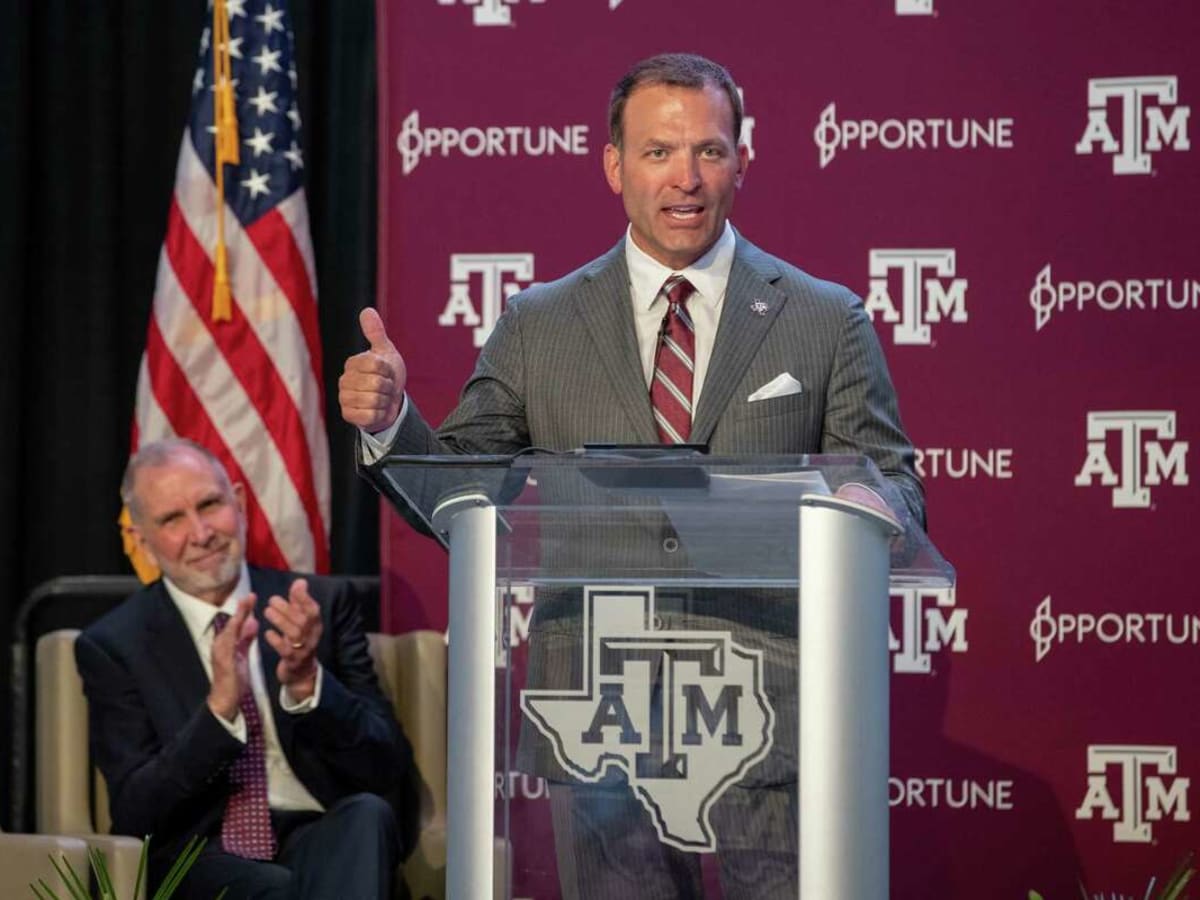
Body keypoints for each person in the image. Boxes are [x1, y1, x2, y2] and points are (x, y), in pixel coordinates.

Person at [339, 52, 923, 898]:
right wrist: (394, 422)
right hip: (600, 710)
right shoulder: (538, 324)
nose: (686, 179)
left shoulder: (822, 319)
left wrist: (868, 505)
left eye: (710, 151)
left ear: (742, 159)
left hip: (772, 709)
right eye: (658, 152)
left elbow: (896, 480)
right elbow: (461, 493)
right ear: (614, 164)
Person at [76, 439, 412, 900]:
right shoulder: (114, 646)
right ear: (142, 541)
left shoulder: (316, 606)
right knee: (274, 888)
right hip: (201, 852)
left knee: (367, 814)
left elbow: (387, 766)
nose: (200, 533)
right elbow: (137, 813)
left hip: (316, 833)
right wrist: (218, 711)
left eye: (210, 504)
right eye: (172, 519)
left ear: (238, 501)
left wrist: (308, 685)